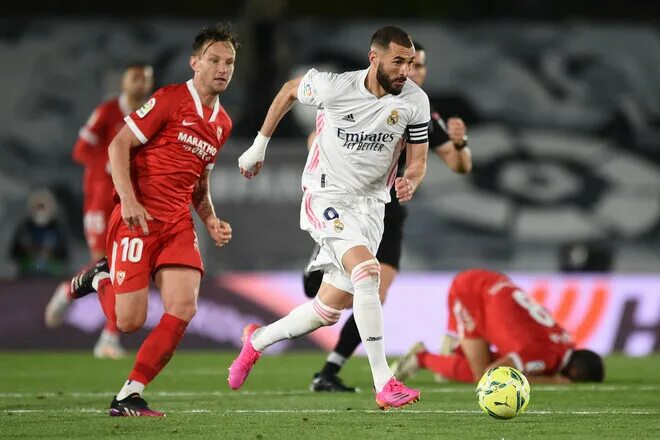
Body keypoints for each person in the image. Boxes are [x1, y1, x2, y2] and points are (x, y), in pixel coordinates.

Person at [229, 26, 454, 410]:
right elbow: (287, 91)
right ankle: (384, 383)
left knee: (328, 311)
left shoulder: (415, 101)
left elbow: (417, 161)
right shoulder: (335, 86)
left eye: (410, 62)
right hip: (325, 195)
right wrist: (258, 147)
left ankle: (257, 340)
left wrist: (411, 181)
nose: (406, 70)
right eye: (398, 61)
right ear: (375, 59)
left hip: (371, 207)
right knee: (368, 272)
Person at [64, 23, 236, 417]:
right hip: (136, 218)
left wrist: (209, 218)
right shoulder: (170, 99)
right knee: (128, 322)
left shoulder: (222, 123)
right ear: (195, 63)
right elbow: (118, 144)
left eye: (229, 62)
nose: (222, 68)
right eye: (214, 60)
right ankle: (99, 278)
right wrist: (127, 200)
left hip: (176, 224)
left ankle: (129, 394)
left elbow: (200, 181)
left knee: (183, 307)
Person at [303, 41, 471, 392]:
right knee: (353, 291)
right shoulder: (361, 94)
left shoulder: (421, 109)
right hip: (351, 202)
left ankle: (330, 370)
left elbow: (459, 165)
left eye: (420, 65)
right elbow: (315, 138)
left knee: (375, 292)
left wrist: (460, 142)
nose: (415, 71)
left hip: (389, 210)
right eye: (410, 63)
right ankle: (326, 261)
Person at [44, 62, 154, 360]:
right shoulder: (107, 112)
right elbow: (80, 149)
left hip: (129, 200)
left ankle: (107, 338)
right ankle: (68, 293)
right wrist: (108, 162)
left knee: (120, 269)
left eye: (146, 78)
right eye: (135, 77)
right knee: (102, 265)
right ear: (123, 81)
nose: (141, 83)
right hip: (100, 201)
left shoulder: (150, 114)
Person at [391, 269, 605, 384]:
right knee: (482, 377)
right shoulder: (546, 357)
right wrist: (552, 382)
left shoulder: (564, 340)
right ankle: (421, 358)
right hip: (472, 293)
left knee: (502, 359)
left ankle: (456, 349)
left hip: (490, 283)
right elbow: (492, 372)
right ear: (574, 372)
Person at [11, 188, 70, 277]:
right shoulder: (24, 228)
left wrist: (49, 253)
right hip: (27, 276)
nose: (41, 210)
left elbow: (65, 255)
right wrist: (29, 252)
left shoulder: (58, 228)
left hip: (52, 277)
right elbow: (14, 253)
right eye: (38, 206)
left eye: (43, 206)